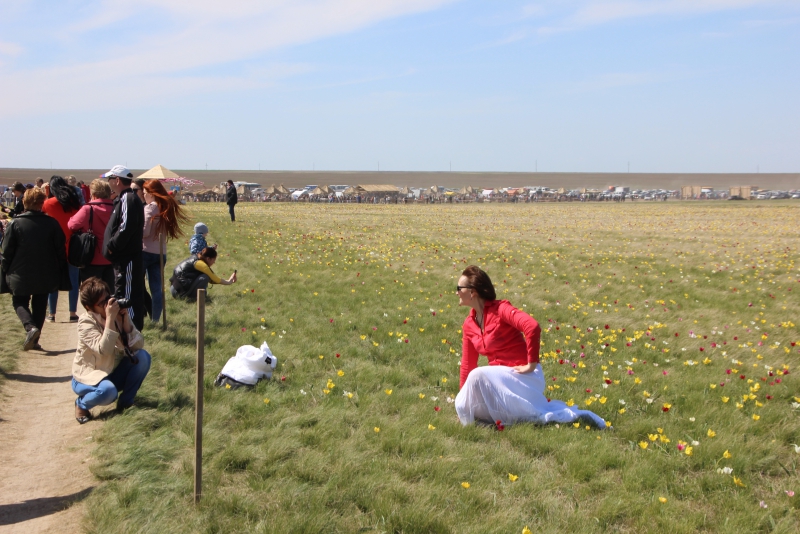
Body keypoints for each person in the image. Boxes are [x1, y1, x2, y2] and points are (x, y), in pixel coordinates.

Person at [455, 265, 607, 429]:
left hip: (524, 376)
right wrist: (464, 399)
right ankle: (490, 424)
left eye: (459, 288)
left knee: (478, 375)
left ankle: (499, 421)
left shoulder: (501, 310)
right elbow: (467, 365)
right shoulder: (469, 324)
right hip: (500, 379)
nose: (456, 292)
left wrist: (531, 364)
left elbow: (532, 326)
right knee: (463, 404)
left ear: (473, 292)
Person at [71, 277, 151, 424]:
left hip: (112, 372)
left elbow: (138, 345)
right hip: (89, 377)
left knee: (143, 357)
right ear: (89, 307)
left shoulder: (117, 313)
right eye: (102, 303)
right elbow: (104, 351)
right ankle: (81, 404)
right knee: (108, 392)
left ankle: (126, 402)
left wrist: (125, 321)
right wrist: (110, 319)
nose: (108, 304)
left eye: (108, 298)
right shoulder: (86, 322)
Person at [0, 188, 70, 350]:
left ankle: (30, 328)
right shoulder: (52, 223)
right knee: (40, 303)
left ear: (25, 201)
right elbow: (60, 248)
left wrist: (5, 269)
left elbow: (7, 252)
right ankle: (35, 338)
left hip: (20, 272)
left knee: (19, 301)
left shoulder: (15, 223)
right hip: (46, 272)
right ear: (41, 203)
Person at [102, 165, 146, 331]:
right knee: (123, 294)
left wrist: (112, 246)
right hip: (124, 258)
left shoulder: (128, 198)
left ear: (117, 180)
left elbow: (126, 227)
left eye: (110, 179)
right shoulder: (124, 198)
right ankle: (125, 332)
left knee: (128, 297)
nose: (109, 182)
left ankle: (132, 332)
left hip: (127, 258)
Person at [142, 179, 189, 323]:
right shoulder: (165, 207)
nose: (143, 196)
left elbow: (145, 232)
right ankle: (155, 319)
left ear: (151, 193)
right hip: (160, 252)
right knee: (157, 288)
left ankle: (141, 316)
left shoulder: (150, 208)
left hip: (145, 251)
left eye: (145, 193)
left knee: (138, 285)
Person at [42, 176, 83, 323]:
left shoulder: (48, 203)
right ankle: (72, 313)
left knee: (53, 282)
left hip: (54, 247)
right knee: (73, 282)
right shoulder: (74, 203)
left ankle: (52, 314)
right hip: (72, 246)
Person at [68, 179, 115, 288]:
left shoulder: (88, 209)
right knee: (110, 294)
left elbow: (71, 225)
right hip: (112, 258)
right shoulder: (117, 208)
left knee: (91, 295)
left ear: (93, 194)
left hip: (91, 258)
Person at [170, 247, 236, 301]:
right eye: (214, 260)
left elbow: (212, 279)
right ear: (208, 258)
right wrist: (229, 281)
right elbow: (214, 278)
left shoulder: (196, 258)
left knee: (204, 276)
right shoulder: (201, 264)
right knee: (204, 277)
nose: (214, 262)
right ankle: (193, 298)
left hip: (174, 289)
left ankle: (196, 296)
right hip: (179, 293)